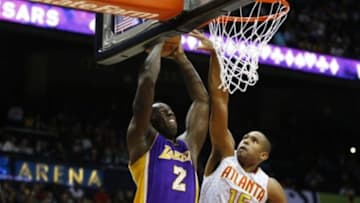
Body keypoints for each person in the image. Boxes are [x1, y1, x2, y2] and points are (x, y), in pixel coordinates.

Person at [190, 31, 287, 203]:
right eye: (246, 137)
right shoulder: (225, 153)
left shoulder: (269, 186)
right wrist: (215, 55)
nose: (246, 141)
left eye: (254, 141)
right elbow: (219, 101)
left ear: (263, 156)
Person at [127, 37, 209, 203]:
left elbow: (202, 101)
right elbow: (147, 82)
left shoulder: (188, 147)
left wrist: (181, 57)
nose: (169, 113)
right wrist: (158, 43)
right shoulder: (143, 143)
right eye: (161, 112)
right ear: (150, 119)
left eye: (170, 111)